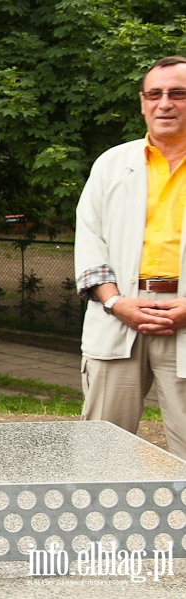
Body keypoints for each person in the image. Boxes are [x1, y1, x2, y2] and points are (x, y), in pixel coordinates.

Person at [75, 55, 186, 460]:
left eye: (178, 94)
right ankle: (96, 524)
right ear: (142, 103)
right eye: (154, 94)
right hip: (118, 315)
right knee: (101, 453)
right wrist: (114, 301)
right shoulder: (112, 164)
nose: (165, 104)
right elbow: (89, 238)